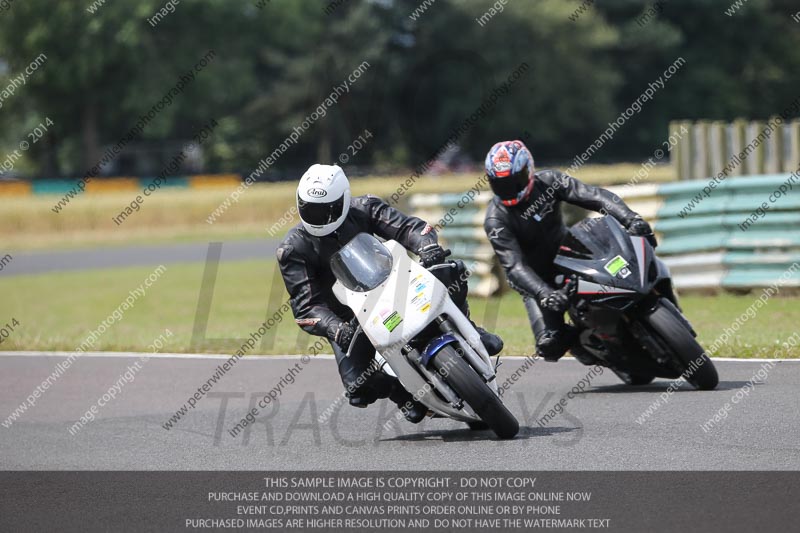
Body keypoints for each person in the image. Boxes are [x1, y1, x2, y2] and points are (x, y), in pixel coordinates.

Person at [278, 164, 503, 423]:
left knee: (450, 269)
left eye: (324, 209)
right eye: (310, 208)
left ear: (343, 200)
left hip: (396, 282)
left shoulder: (365, 208)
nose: (317, 216)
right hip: (351, 318)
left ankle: (471, 329)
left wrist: (427, 247)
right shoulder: (293, 249)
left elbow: (410, 228)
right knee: (356, 386)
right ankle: (401, 394)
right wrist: (336, 328)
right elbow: (306, 306)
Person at [482, 140, 653, 362]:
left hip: (571, 255)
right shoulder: (496, 219)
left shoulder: (549, 181)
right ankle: (586, 344)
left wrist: (630, 218)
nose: (511, 188)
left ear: (528, 170)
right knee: (549, 345)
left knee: (625, 270)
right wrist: (544, 293)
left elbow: (594, 196)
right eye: (502, 184)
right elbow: (514, 266)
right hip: (536, 278)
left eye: (516, 180)